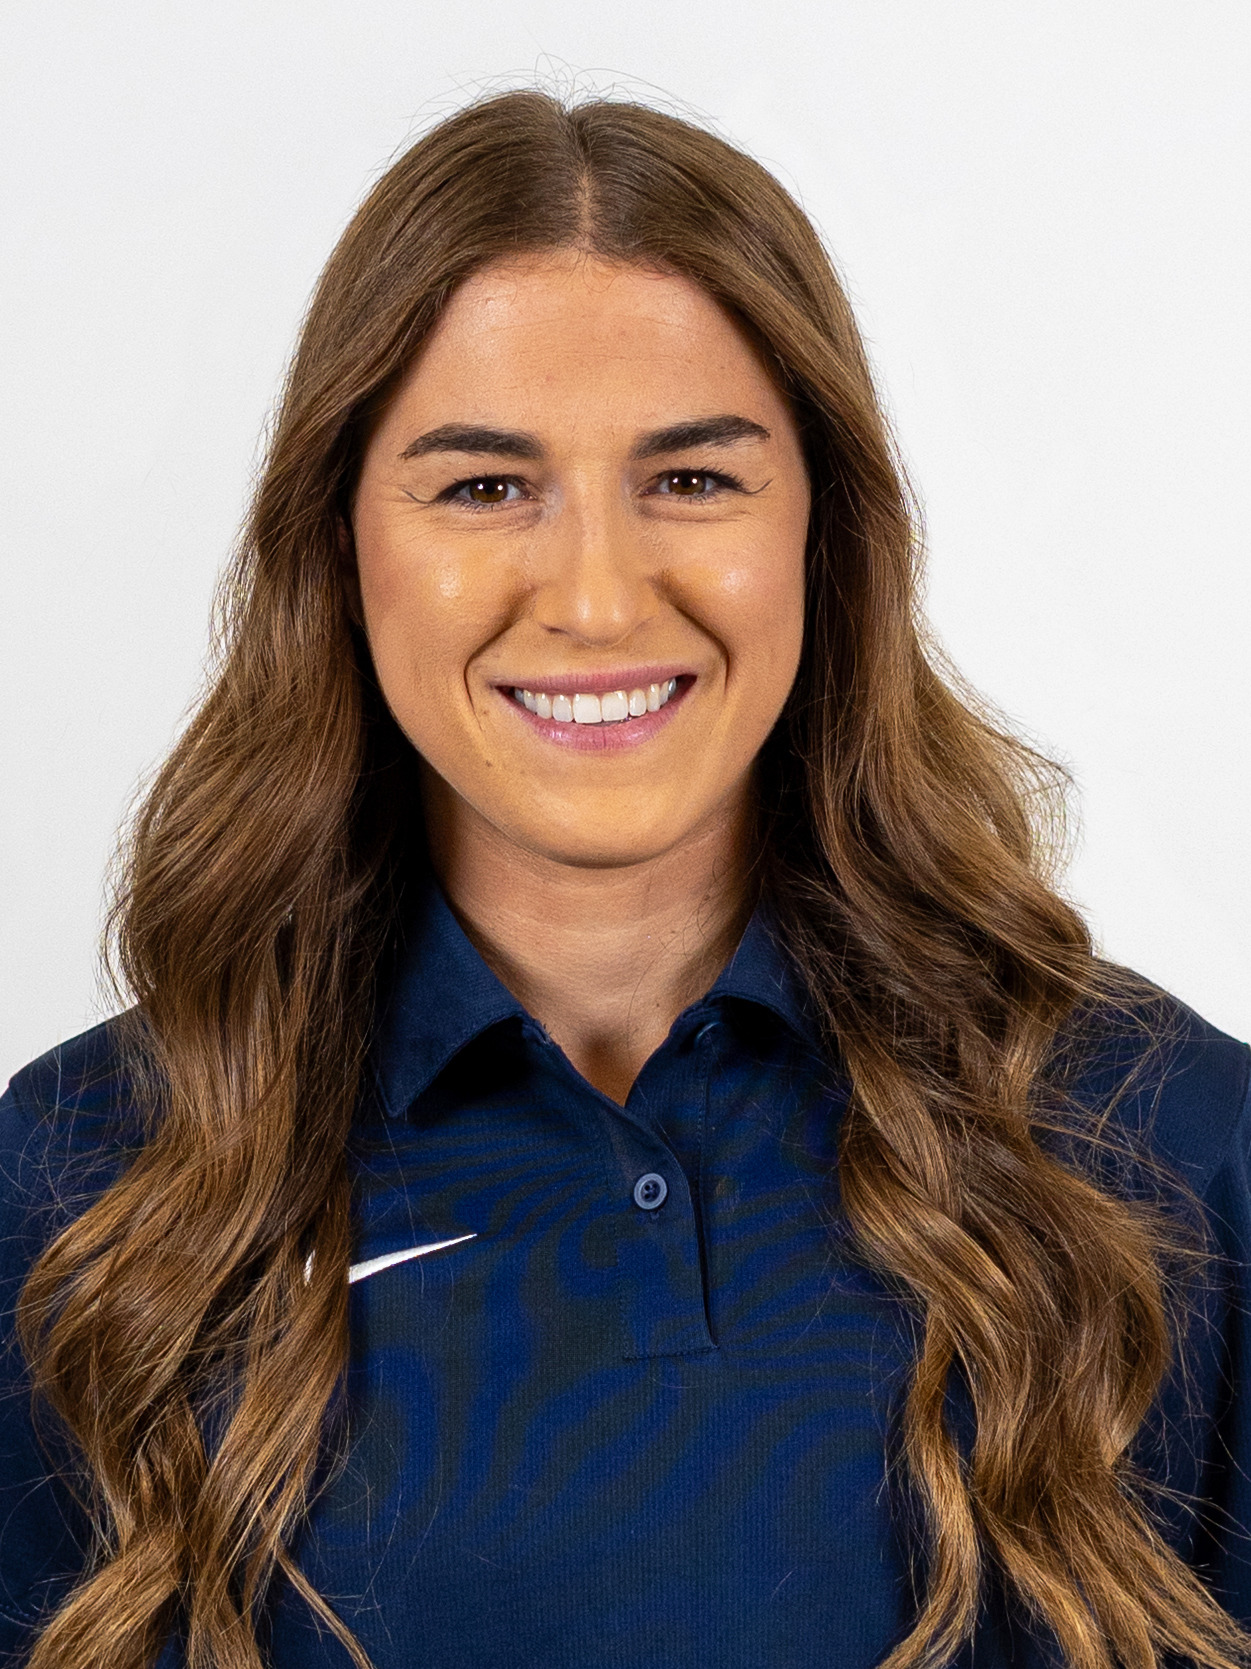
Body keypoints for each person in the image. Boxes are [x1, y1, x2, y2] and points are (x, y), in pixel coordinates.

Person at [1, 89, 1248, 1669]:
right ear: (339, 543)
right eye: (484, 486)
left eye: (694, 479)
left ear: (826, 531)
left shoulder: (1164, 1146)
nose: (595, 598)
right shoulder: (85, 1185)